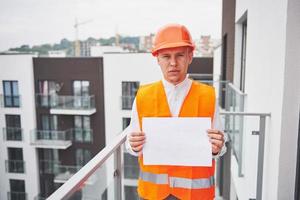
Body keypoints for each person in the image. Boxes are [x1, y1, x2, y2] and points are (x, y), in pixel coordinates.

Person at [125, 24, 226, 200]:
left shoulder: (208, 96)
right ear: (157, 59)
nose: (173, 63)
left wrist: (217, 148)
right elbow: (132, 145)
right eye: (166, 56)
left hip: (196, 196)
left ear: (190, 57)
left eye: (179, 55)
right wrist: (133, 145)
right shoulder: (143, 96)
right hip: (153, 195)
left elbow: (220, 146)